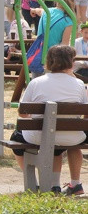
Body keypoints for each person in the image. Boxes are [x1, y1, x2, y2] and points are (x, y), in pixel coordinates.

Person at [10, 45, 86, 195]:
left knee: (17, 139)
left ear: (49, 62)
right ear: (71, 63)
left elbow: (22, 113)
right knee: (65, 144)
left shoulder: (37, 82)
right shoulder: (79, 84)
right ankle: (72, 184)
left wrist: (37, 119)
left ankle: (37, 182)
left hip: (39, 136)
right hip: (72, 138)